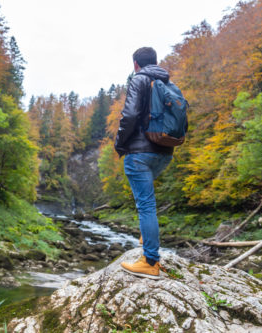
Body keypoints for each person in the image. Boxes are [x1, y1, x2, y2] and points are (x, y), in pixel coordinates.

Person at [114, 47, 173, 279]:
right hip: (165, 152)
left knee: (145, 205)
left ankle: (150, 262)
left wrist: (120, 143)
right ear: (155, 62)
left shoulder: (139, 80)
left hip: (139, 152)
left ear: (136, 64)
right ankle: (146, 235)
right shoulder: (166, 82)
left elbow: (129, 115)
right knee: (147, 202)